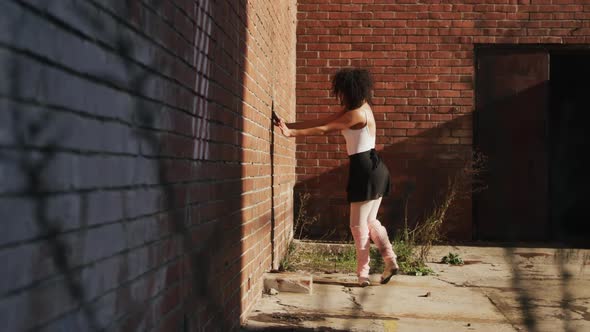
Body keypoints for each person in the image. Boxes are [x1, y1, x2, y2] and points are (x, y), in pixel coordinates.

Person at [274, 68, 399, 286]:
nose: (340, 95)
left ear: (349, 90)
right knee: (370, 221)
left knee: (358, 226)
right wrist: (288, 125)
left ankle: (363, 274)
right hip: (376, 168)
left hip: (365, 170)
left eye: (342, 91)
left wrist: (291, 134)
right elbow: (322, 121)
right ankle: (390, 261)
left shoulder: (355, 114)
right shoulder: (362, 108)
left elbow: (324, 129)